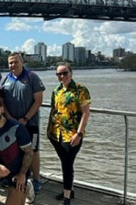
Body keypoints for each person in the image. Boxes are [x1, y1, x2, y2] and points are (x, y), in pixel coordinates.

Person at [1, 52, 46, 193]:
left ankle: (37, 179)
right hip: (11, 124)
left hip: (30, 123)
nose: (13, 65)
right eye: (10, 63)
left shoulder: (32, 77)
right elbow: (1, 101)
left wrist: (25, 118)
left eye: (15, 62)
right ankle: (13, 175)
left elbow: (38, 101)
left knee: (33, 150)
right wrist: (9, 118)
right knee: (13, 150)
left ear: (22, 62)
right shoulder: (5, 79)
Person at [47, 63, 91, 205]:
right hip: (56, 134)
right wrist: (49, 132)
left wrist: (78, 133)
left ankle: (67, 198)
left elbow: (85, 113)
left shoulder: (80, 89)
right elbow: (54, 112)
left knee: (67, 163)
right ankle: (69, 190)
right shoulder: (56, 91)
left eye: (64, 73)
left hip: (72, 135)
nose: (62, 76)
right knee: (65, 163)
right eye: (59, 74)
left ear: (71, 73)